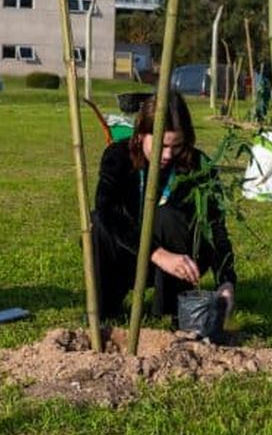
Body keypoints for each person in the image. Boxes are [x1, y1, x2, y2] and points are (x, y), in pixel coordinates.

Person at [90, 93, 236, 325]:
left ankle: (172, 307)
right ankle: (105, 307)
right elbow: (104, 212)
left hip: (179, 257)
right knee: (96, 224)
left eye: (176, 146)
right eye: (161, 145)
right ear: (140, 135)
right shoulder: (117, 156)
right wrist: (157, 254)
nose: (168, 155)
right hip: (130, 253)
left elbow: (215, 226)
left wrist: (226, 281)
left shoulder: (198, 166)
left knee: (169, 215)